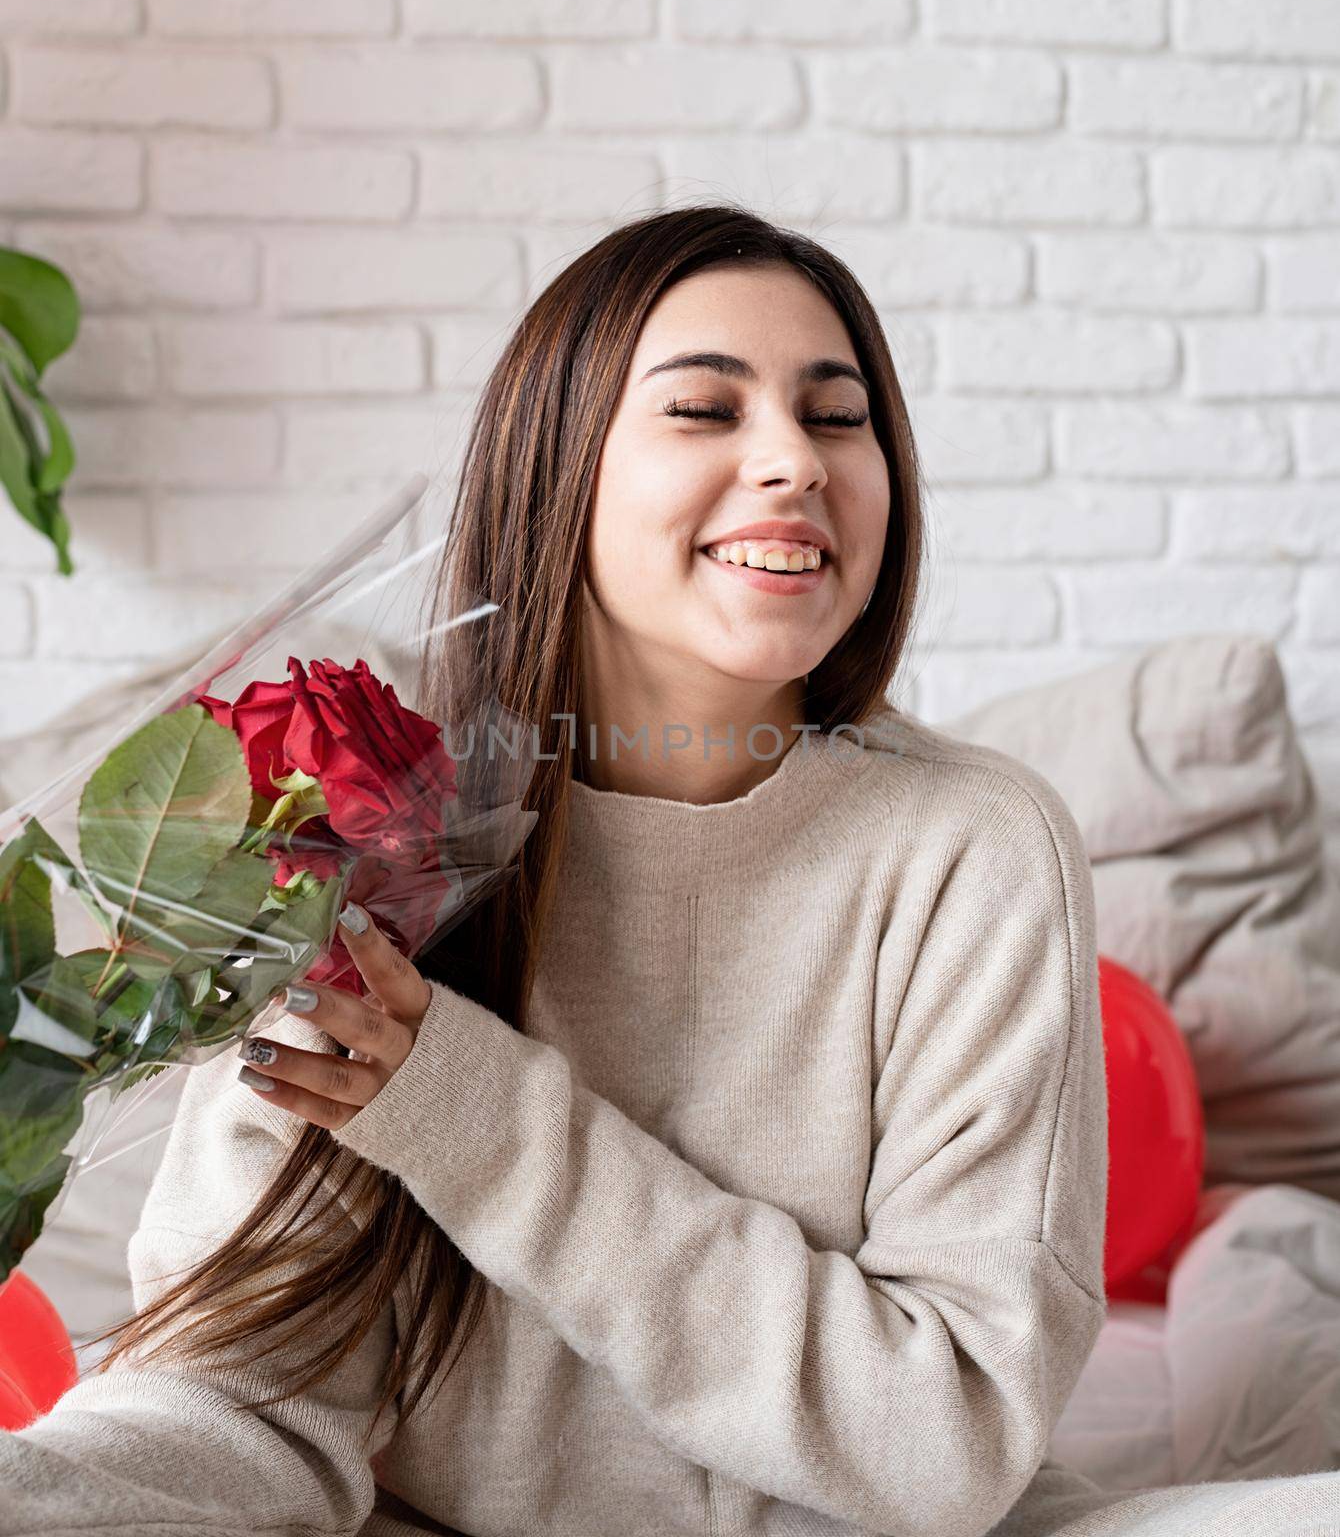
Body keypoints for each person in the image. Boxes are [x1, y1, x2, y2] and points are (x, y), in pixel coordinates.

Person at [3, 206, 1336, 1537]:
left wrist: (459, 1108)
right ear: (555, 470)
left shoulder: (976, 848)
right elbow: (241, 1407)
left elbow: (947, 1440)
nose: (792, 464)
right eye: (705, 410)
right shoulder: (369, 832)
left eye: (837, 417)